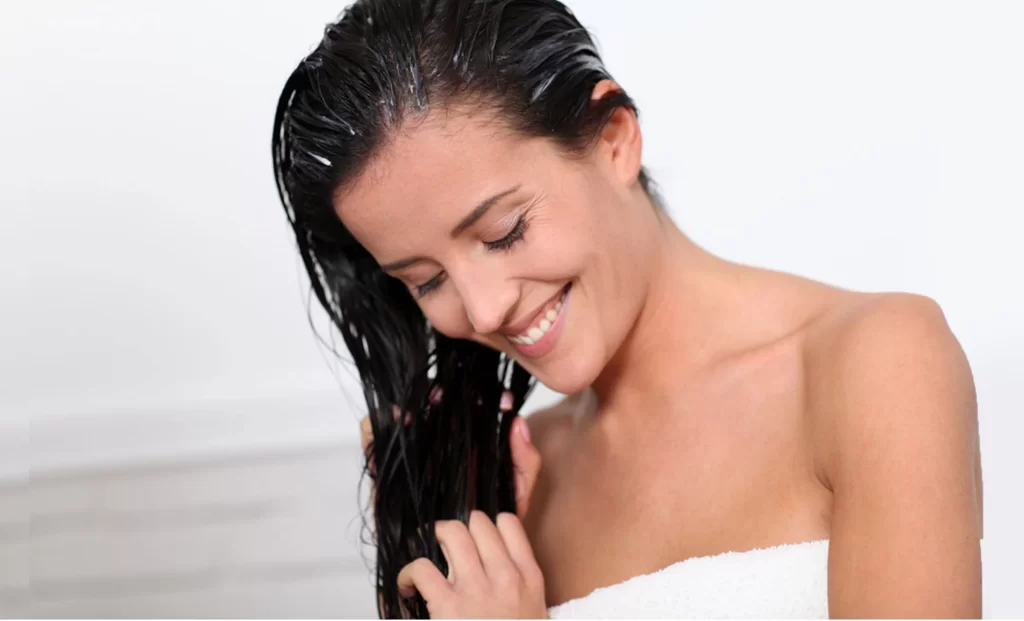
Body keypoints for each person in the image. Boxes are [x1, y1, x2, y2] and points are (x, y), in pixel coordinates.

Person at [272, 0, 984, 617]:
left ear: (613, 138)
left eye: (503, 231)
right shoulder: (512, 489)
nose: (483, 310)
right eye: (425, 281)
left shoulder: (876, 364)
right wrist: (439, 532)